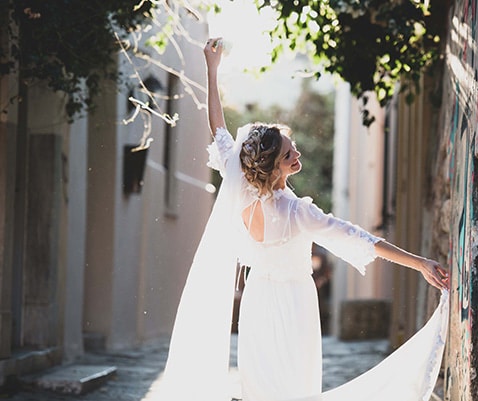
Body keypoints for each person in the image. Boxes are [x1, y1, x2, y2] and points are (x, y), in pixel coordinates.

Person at [153, 38, 450, 401]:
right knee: (294, 388)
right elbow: (360, 239)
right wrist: (420, 263)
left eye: (292, 147)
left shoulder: (241, 187)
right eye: (287, 155)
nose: (296, 153)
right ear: (273, 166)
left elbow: (219, 130)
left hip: (258, 298)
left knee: (262, 388)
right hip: (295, 303)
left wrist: (211, 70)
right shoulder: (298, 213)